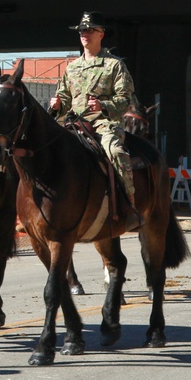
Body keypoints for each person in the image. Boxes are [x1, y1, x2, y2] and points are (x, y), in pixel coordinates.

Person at [49, 11, 139, 224]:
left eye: (90, 30)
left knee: (116, 152)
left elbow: (126, 100)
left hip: (103, 123)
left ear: (102, 34)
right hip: (72, 121)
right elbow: (64, 96)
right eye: (82, 30)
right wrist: (58, 105)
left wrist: (103, 105)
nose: (85, 34)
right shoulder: (72, 67)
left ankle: (129, 205)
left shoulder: (114, 65)